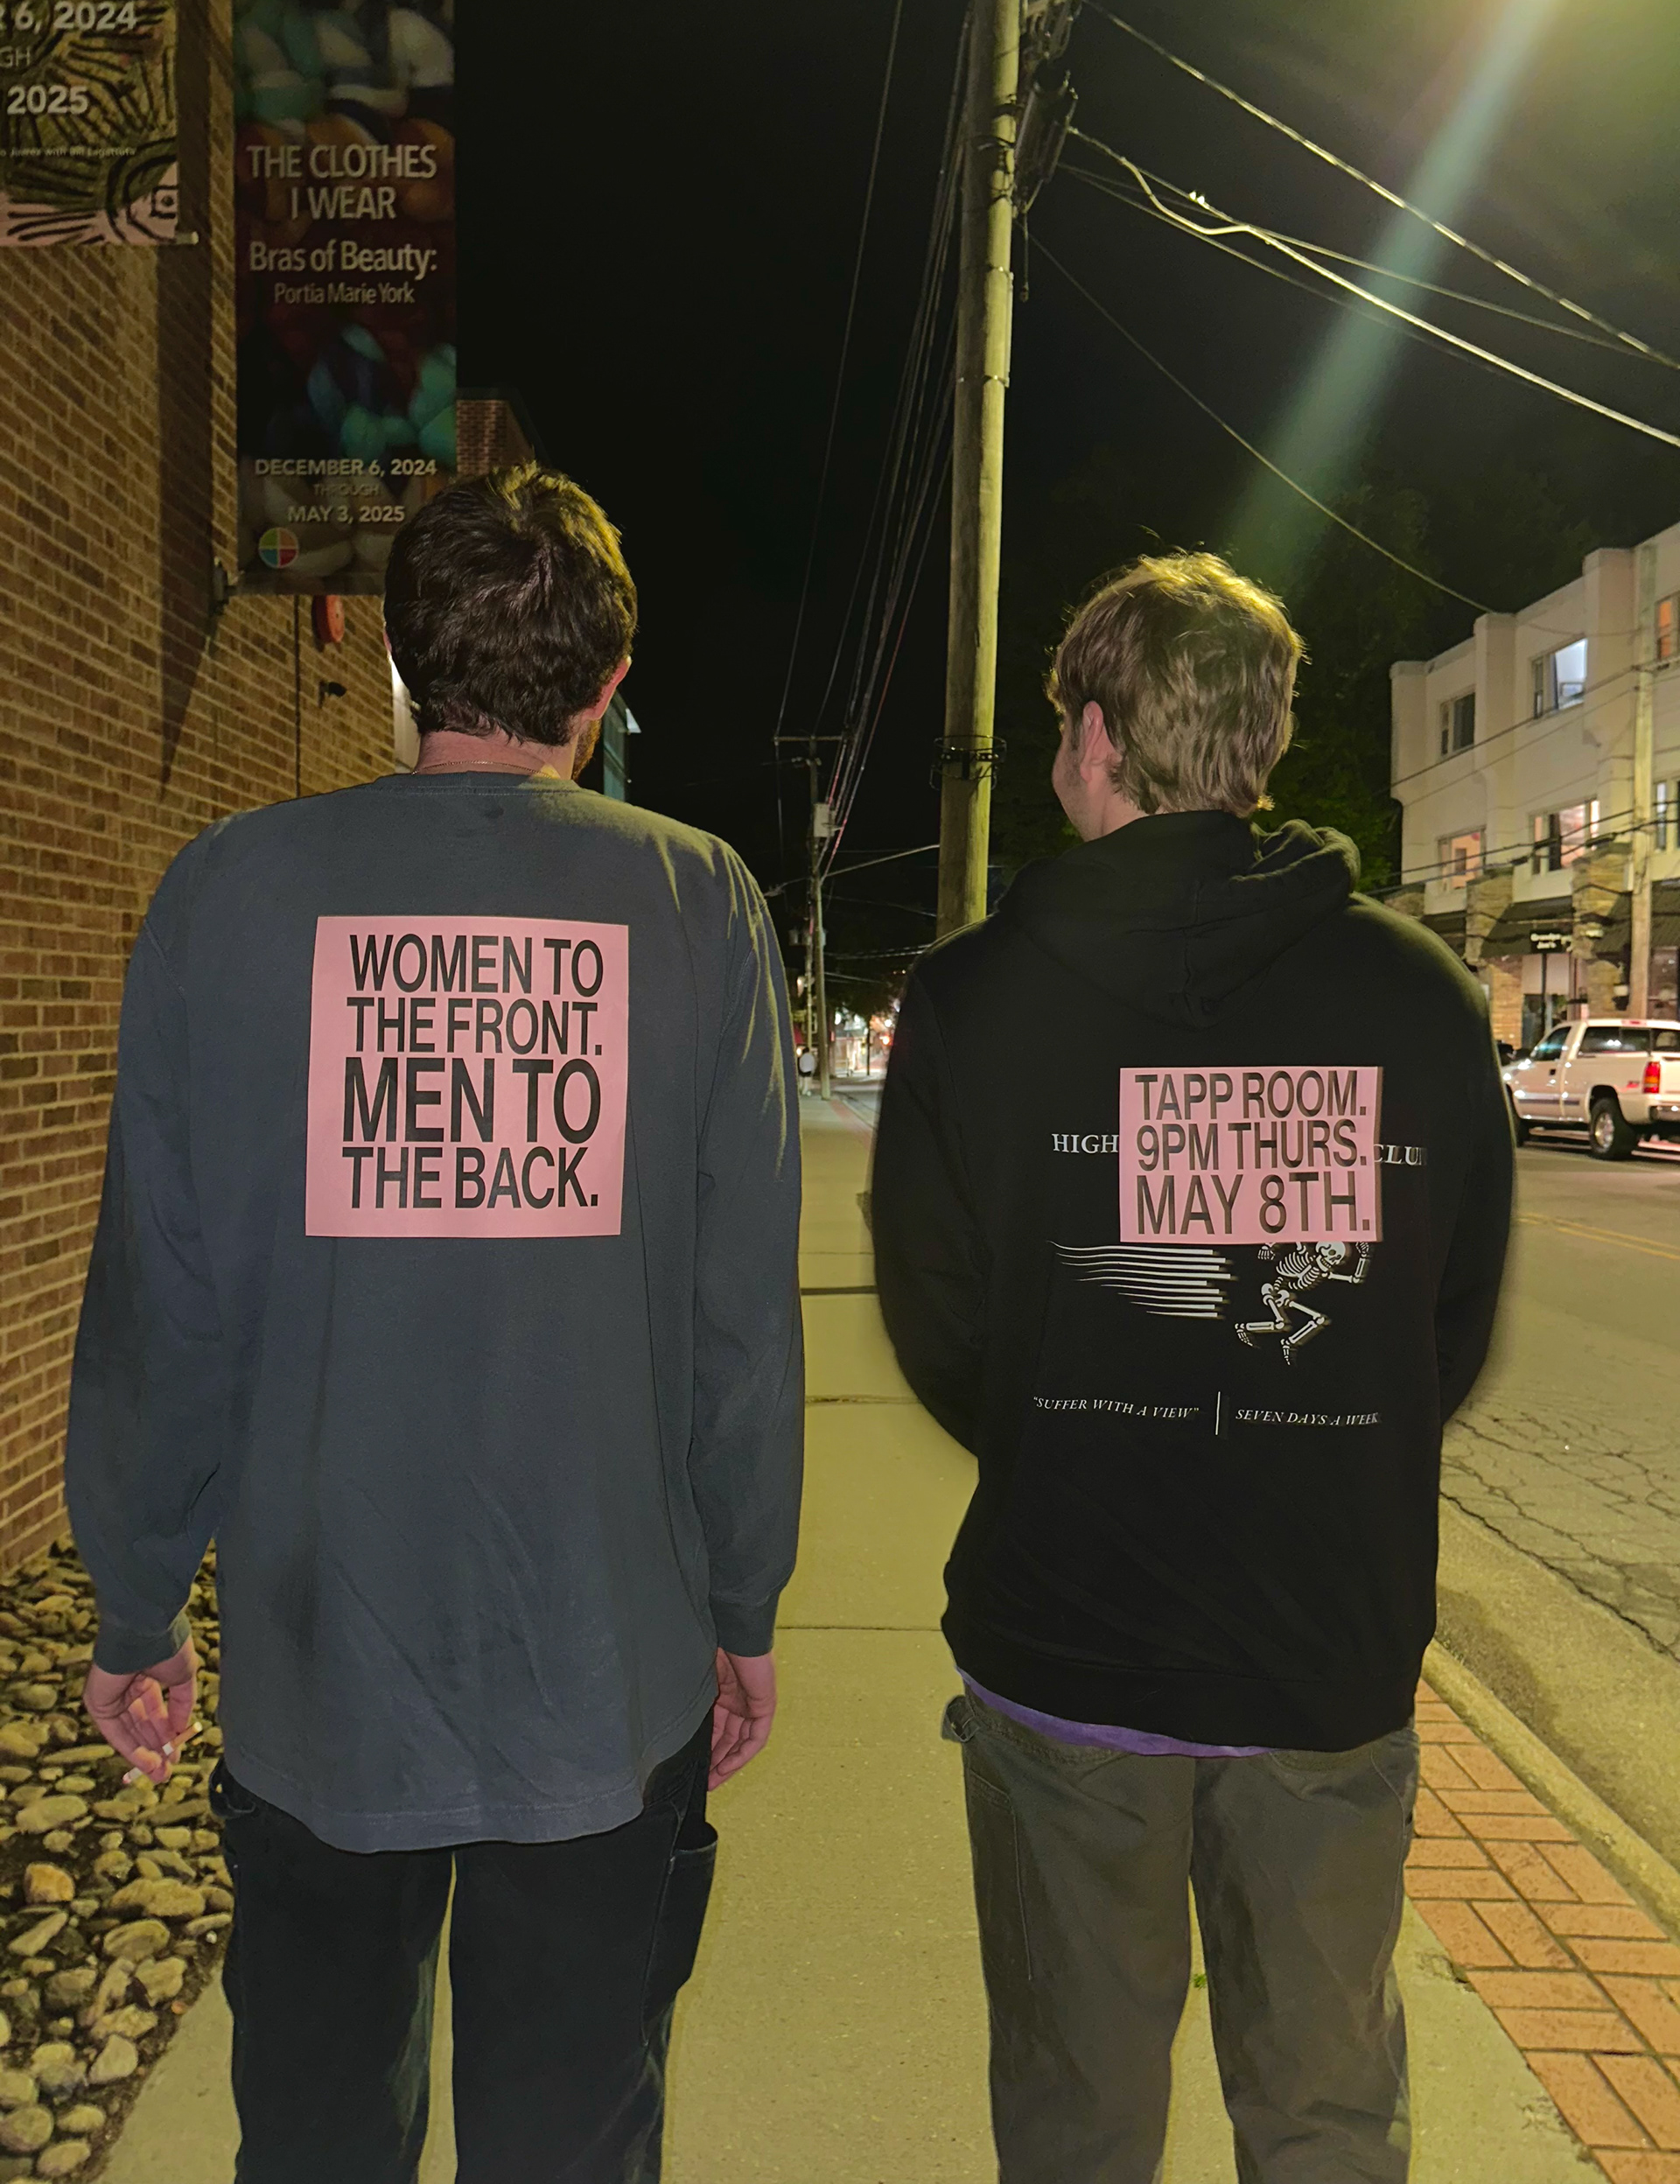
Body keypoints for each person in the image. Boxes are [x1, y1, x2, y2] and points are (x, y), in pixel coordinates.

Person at [66, 466, 803, 2184]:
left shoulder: (230, 892)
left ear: (403, 666)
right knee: (572, 2135)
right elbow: (739, 1324)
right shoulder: (700, 908)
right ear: (606, 685)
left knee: (319, 2129)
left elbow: (164, 1291)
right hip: (605, 1677)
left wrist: (137, 1597)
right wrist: (741, 1602)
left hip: (325, 1668)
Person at [872, 552, 1513, 2184]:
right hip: (1323, 1649)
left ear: (1096, 736)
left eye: (1063, 728)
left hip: (1068, 1647)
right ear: (1259, 742)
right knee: (1326, 2115)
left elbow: (938, 1320)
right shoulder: (1423, 999)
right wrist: (1304, 1428)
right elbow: (1443, 1320)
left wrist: (1079, 1425)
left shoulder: (971, 999)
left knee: (1076, 2121)